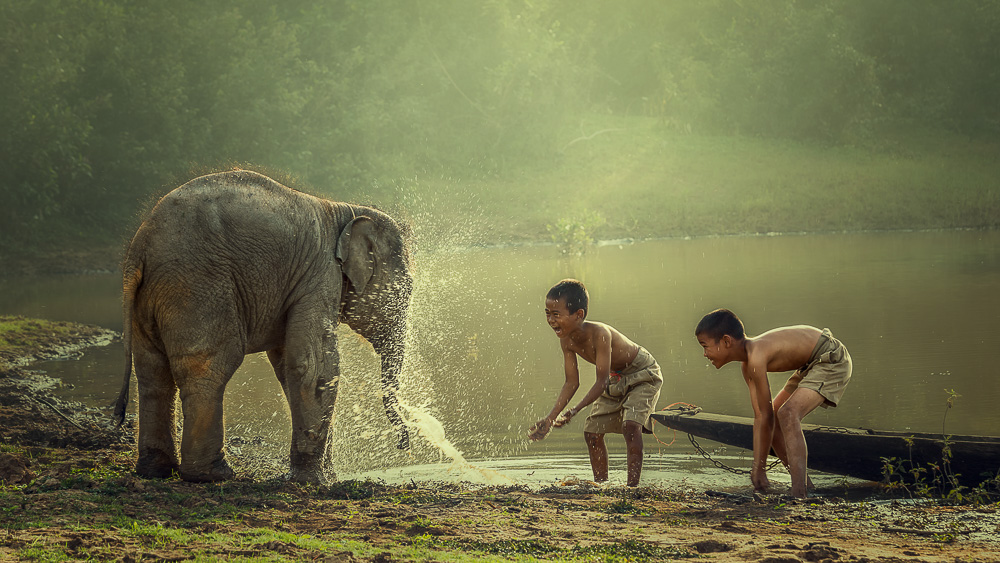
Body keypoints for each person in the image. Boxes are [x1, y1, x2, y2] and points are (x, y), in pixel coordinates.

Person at [694, 309, 852, 498]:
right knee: (778, 415)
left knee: (788, 413)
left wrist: (760, 468)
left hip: (830, 357)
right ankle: (808, 488)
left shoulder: (756, 355)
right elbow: (762, 416)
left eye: (705, 346)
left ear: (727, 341)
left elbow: (765, 416)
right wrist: (757, 467)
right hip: (809, 364)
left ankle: (799, 493)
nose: (704, 354)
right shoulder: (748, 365)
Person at [528, 279, 663, 487]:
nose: (551, 320)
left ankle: (632, 489)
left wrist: (574, 411)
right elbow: (572, 382)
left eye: (556, 314)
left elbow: (601, 382)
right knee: (592, 431)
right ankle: (601, 485)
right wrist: (550, 419)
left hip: (641, 374)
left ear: (578, 314)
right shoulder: (566, 341)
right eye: (547, 313)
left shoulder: (600, 334)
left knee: (631, 426)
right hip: (615, 378)